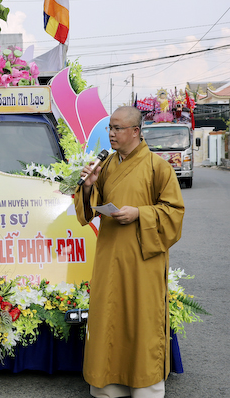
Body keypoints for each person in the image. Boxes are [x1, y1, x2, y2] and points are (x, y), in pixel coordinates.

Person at [74, 106, 184, 398]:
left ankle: (146, 387)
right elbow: (87, 212)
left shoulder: (158, 167)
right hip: (110, 255)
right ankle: (109, 386)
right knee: (108, 317)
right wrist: (89, 187)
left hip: (143, 259)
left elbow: (174, 213)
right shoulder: (107, 165)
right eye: (110, 127)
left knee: (142, 318)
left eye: (117, 128)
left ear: (135, 131)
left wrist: (140, 213)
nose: (111, 134)